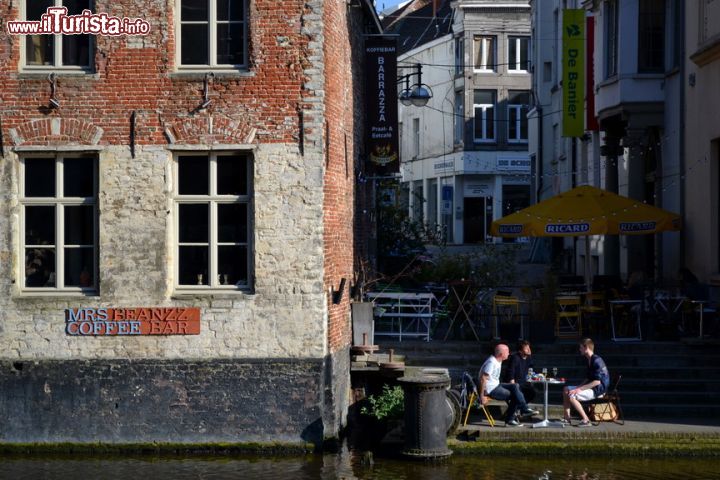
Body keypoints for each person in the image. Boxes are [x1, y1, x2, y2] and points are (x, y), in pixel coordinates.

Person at [479, 343, 538, 427]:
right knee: (515, 395)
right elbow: (483, 378)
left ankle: (523, 409)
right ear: (501, 354)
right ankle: (511, 418)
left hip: (496, 385)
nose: (509, 353)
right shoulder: (491, 362)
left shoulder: (498, 361)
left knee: (515, 386)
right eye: (507, 352)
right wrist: (482, 395)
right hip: (491, 389)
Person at [562, 338, 610, 427]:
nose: (579, 349)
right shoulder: (590, 359)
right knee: (566, 389)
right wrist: (578, 387)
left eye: (581, 347)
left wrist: (579, 389)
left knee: (571, 395)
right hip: (592, 386)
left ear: (586, 347)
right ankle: (567, 418)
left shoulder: (596, 360)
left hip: (598, 390)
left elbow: (597, 382)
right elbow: (588, 378)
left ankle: (586, 420)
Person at [502, 340, 536, 404]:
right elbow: (510, 371)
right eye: (526, 348)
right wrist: (512, 383)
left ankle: (520, 407)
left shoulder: (528, 358)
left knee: (533, 392)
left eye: (529, 347)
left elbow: (531, 369)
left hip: (523, 382)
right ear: (520, 351)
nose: (529, 350)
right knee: (518, 393)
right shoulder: (515, 358)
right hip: (515, 383)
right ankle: (520, 408)